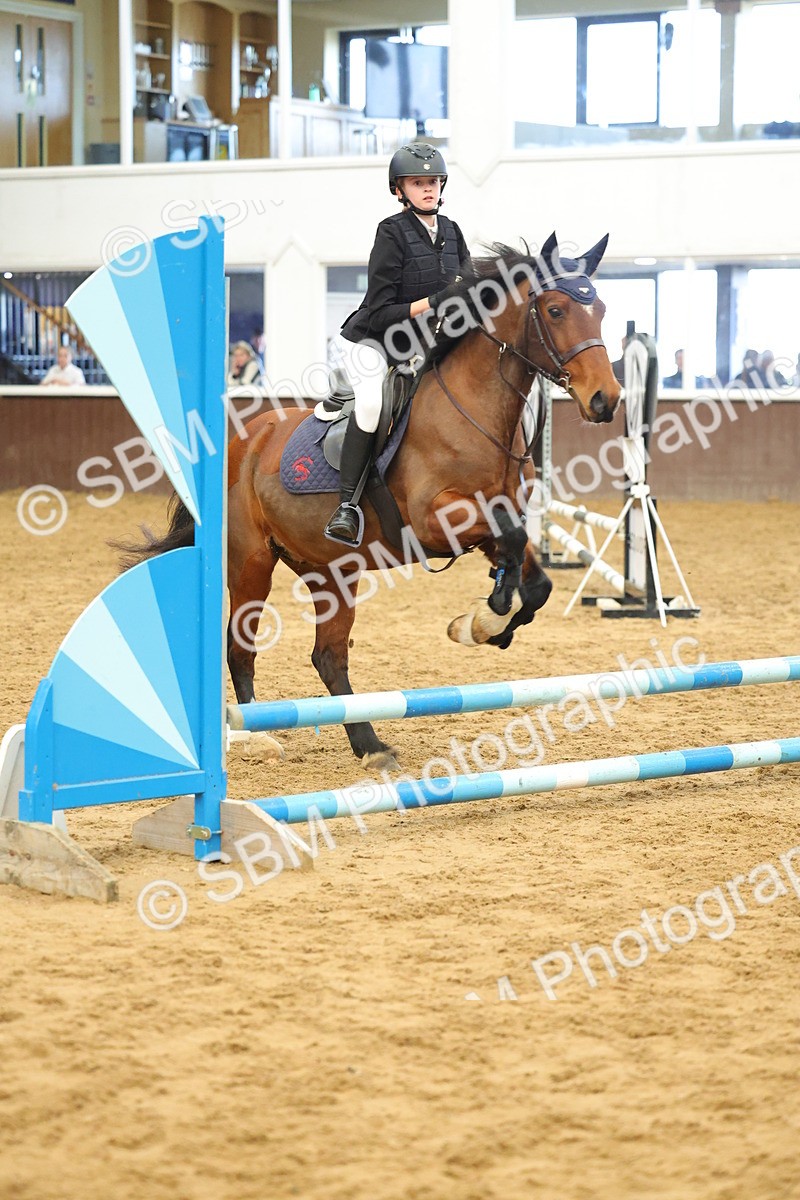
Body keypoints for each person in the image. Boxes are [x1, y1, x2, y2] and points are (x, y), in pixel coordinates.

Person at [317, 142, 472, 546]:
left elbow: (468, 290)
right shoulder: (391, 232)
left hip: (422, 344)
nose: (428, 189)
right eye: (418, 183)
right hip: (372, 341)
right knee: (370, 404)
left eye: (434, 182)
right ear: (400, 189)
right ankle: (347, 507)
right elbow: (383, 310)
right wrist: (434, 303)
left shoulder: (452, 232)